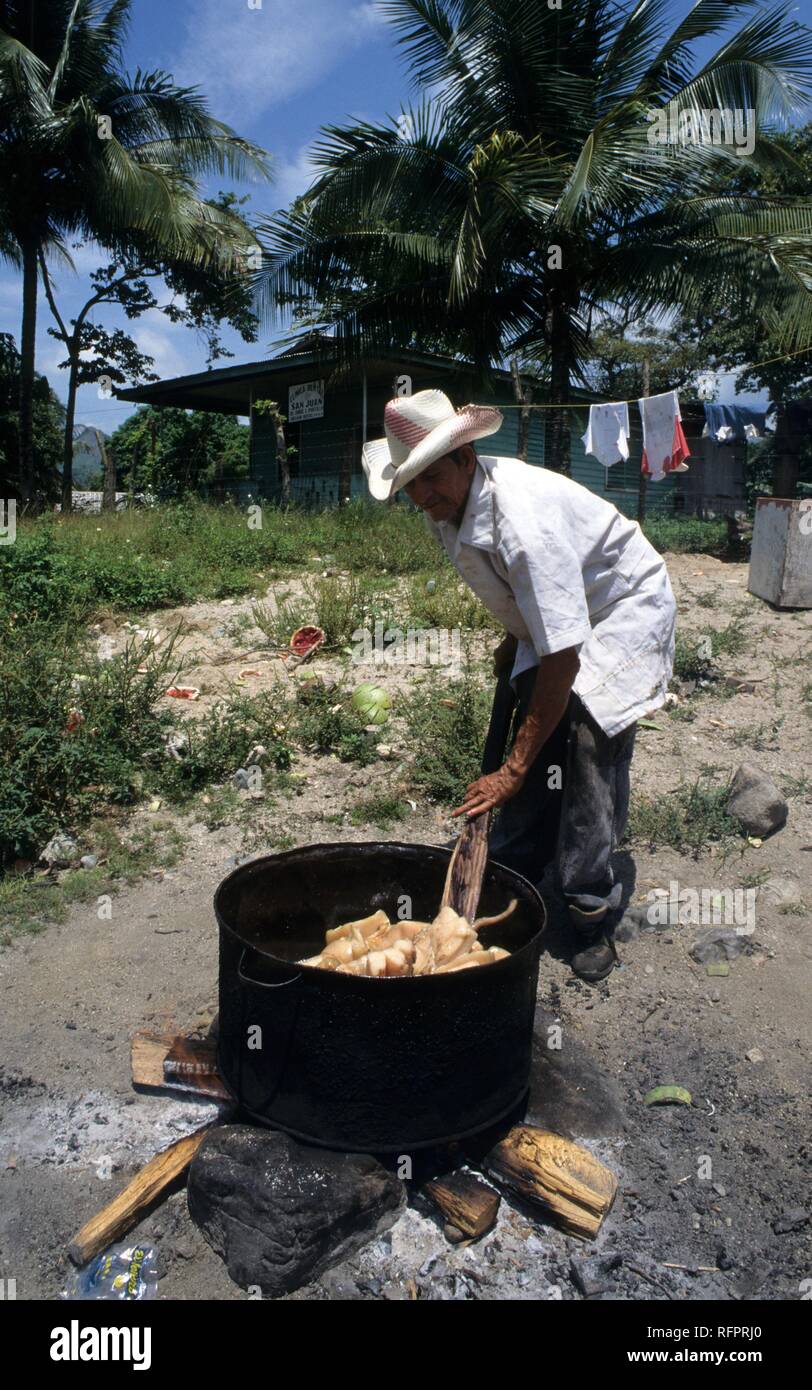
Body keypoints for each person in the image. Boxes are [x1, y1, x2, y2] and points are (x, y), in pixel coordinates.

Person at [362, 389, 677, 981]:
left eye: (431, 477)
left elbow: (563, 658)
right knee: (535, 721)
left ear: (465, 457)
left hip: (622, 605)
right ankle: (520, 868)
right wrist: (514, 640)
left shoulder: (522, 520)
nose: (422, 494)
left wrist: (512, 768)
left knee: (587, 739)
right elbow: (515, 594)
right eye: (411, 483)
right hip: (560, 609)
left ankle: (587, 907)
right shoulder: (444, 506)